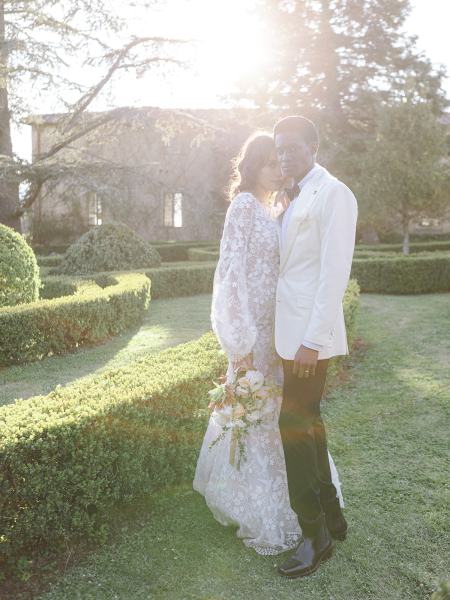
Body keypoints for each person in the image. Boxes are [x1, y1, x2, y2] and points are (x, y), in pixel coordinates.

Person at [193, 131, 344, 555]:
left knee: (286, 417)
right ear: (252, 167)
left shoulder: (277, 207)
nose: (279, 170)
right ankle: (258, 505)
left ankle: (306, 504)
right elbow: (230, 274)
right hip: (254, 334)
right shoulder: (243, 207)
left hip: (281, 330)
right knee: (257, 414)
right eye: (270, 164)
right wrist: (238, 343)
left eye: (282, 163)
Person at [274, 115, 358, 578]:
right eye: (278, 148)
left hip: (308, 337)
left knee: (292, 426)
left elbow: (334, 274)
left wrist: (312, 340)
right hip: (289, 332)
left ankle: (314, 535)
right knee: (309, 423)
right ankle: (333, 514)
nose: (284, 154)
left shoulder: (334, 193)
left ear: (313, 145)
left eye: (292, 146)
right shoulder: (298, 193)